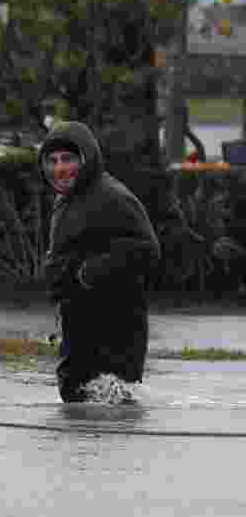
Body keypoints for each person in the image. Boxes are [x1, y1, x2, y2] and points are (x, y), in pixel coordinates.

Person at [40, 121, 161, 403]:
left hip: (114, 330)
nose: (59, 168)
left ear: (87, 158)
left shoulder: (112, 197)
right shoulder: (67, 199)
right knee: (75, 398)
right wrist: (57, 287)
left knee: (110, 408)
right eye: (52, 160)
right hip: (78, 324)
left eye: (68, 159)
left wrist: (92, 270)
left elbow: (147, 249)